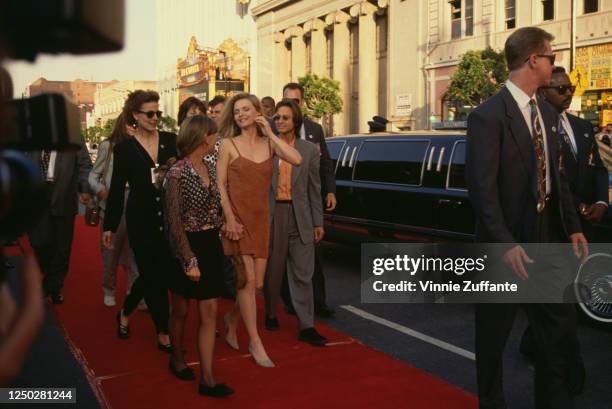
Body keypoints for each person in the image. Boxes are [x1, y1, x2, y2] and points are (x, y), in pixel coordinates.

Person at [465, 27, 588, 409]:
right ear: (533, 59)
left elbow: (558, 179)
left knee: (557, 330)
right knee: (493, 339)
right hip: (505, 247)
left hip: (547, 241)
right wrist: (505, 243)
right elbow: (482, 192)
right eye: (550, 55)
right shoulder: (487, 116)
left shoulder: (548, 114)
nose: (553, 63)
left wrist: (573, 227)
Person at [217, 93, 301, 368]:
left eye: (246, 109)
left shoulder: (269, 144)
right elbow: (219, 186)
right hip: (237, 222)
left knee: (258, 285)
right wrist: (229, 219)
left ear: (257, 112)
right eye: (237, 111)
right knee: (248, 282)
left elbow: (296, 159)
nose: (241, 114)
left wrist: (271, 132)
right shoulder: (227, 145)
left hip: (261, 220)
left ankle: (231, 319)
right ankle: (255, 341)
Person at [103, 90, 178, 352]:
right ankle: (163, 331)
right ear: (135, 115)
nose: (155, 117)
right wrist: (110, 226)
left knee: (158, 272)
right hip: (141, 219)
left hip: (169, 218)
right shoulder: (124, 149)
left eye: (158, 113)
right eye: (150, 113)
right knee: (151, 273)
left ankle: (125, 310)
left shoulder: (172, 141)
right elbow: (115, 189)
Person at [164, 115, 233, 397]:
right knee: (180, 310)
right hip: (184, 246)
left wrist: (227, 224)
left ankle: (207, 378)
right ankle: (177, 358)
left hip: (209, 244)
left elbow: (218, 205)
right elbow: (173, 222)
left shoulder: (213, 168)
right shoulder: (176, 173)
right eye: (214, 135)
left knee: (210, 313)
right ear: (203, 137)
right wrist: (188, 259)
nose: (217, 139)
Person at [263, 99, 327, 346]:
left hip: (301, 216)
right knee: (273, 272)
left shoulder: (309, 149)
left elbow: (314, 189)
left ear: (295, 121)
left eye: (285, 117)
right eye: (277, 117)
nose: (279, 121)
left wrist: (317, 221)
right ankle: (270, 313)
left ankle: (306, 325)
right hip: (273, 215)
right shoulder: (266, 146)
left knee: (303, 274)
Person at [282, 82, 337, 317]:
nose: (293, 105)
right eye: (288, 100)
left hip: (310, 199)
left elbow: (326, 163)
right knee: (286, 258)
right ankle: (291, 303)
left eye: (296, 101)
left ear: (302, 103)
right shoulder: (276, 130)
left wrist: (331, 191)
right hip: (284, 201)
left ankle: (319, 303)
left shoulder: (315, 129)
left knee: (315, 253)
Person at [27, 134, 92, 304]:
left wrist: (85, 188)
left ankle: (53, 287)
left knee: (62, 246)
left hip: (63, 195)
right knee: (39, 242)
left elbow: (85, 164)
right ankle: (50, 278)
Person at [89, 113, 139, 307]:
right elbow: (94, 175)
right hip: (112, 202)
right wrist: (100, 190)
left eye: (136, 124)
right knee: (110, 252)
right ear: (122, 124)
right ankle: (109, 289)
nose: (134, 127)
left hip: (136, 202)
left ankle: (134, 291)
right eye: (130, 124)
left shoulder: (143, 145)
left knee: (135, 253)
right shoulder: (108, 146)